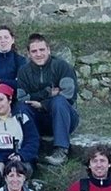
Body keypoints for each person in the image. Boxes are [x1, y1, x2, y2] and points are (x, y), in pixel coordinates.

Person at [16, 33, 79, 165]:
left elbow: (69, 94)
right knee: (21, 108)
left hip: (65, 117)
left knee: (59, 101)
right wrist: (48, 92)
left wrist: (43, 104)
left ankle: (61, 150)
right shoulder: (23, 71)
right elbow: (21, 97)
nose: (38, 54)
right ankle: (32, 150)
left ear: (48, 50)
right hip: (39, 119)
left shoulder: (62, 66)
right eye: (34, 51)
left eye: (42, 50)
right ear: (28, 54)